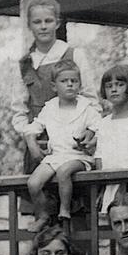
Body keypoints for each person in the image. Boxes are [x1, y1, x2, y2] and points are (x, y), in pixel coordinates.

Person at [11, 0, 97, 175]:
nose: (43, 27)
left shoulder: (74, 55)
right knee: (38, 195)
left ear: (57, 23)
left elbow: (92, 100)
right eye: (37, 22)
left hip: (73, 144)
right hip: (39, 147)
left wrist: (90, 132)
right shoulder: (25, 63)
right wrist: (30, 140)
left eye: (48, 21)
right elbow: (19, 112)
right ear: (29, 26)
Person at [24, 59, 101, 231]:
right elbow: (33, 127)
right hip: (56, 156)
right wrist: (32, 142)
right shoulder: (50, 108)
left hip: (79, 157)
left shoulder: (86, 108)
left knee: (64, 171)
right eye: (64, 81)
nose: (69, 85)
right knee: (33, 183)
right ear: (53, 86)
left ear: (79, 84)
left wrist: (90, 136)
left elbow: (100, 127)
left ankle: (64, 209)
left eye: (74, 81)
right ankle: (43, 214)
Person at [93, 63, 128, 213]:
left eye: (120, 85)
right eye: (109, 86)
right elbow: (99, 155)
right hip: (109, 184)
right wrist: (102, 187)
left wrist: (126, 183)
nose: (114, 89)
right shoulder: (103, 122)